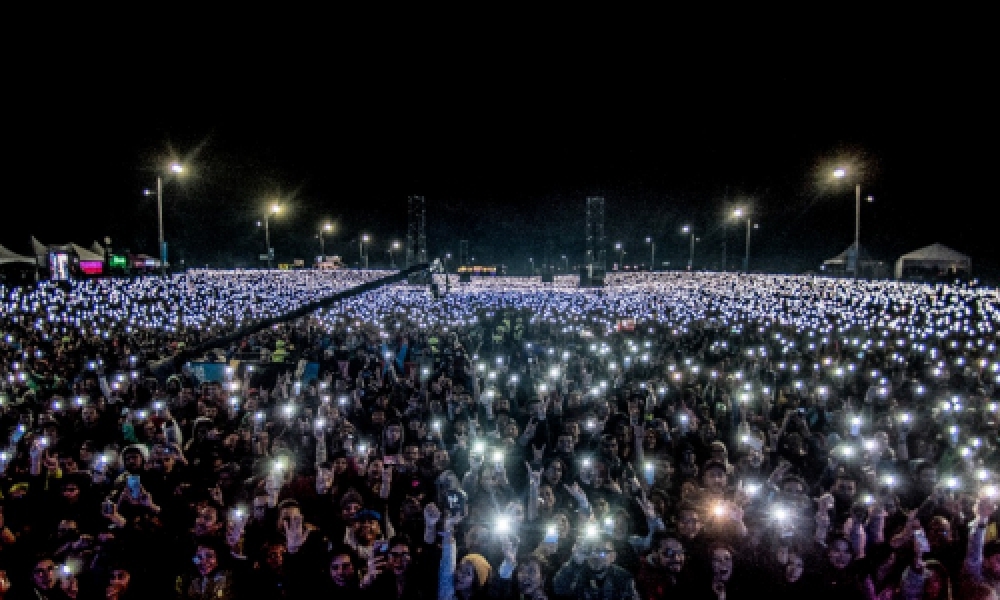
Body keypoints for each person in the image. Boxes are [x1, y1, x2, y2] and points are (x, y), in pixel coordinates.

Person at [552, 532, 639, 600]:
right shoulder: (576, 572)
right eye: (593, 551)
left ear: (613, 556)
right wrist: (574, 562)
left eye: (602, 552)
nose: (596, 556)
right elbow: (558, 588)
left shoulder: (623, 577)